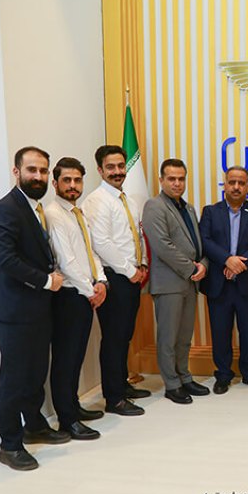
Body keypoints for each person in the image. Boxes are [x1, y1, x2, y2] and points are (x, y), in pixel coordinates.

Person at [0, 146, 69, 470]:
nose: (38, 176)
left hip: (38, 310)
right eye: (32, 170)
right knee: (14, 379)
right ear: (16, 171)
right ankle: (9, 445)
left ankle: (35, 425)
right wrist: (47, 281)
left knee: (35, 373)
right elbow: (6, 260)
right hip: (14, 313)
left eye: (43, 171)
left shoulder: (35, 208)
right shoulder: (4, 210)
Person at [82, 145, 150, 416]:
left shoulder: (127, 200)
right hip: (114, 277)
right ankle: (114, 398)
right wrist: (129, 270)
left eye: (121, 166)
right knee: (113, 338)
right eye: (110, 167)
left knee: (124, 335)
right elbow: (102, 243)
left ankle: (122, 385)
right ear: (100, 170)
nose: (117, 171)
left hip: (131, 276)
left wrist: (142, 264)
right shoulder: (97, 201)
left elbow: (136, 236)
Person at [45, 157, 108, 441]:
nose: (73, 185)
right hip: (69, 296)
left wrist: (101, 281)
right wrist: (90, 290)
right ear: (55, 182)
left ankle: (73, 406)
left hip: (84, 293)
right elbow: (67, 261)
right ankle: (67, 420)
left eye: (77, 180)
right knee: (65, 360)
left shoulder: (77, 212)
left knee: (76, 357)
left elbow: (90, 252)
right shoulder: (54, 214)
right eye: (67, 180)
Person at [142, 158, 211, 404]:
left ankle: (184, 376)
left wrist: (204, 264)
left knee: (184, 336)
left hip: (190, 282)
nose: (177, 183)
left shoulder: (188, 208)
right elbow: (163, 246)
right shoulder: (154, 206)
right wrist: (191, 268)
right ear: (161, 180)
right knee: (168, 338)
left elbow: (198, 242)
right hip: (169, 283)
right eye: (171, 179)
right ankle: (172, 384)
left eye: (181, 179)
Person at [199, 166, 248, 393]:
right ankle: (223, 375)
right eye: (232, 182)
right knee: (220, 332)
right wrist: (227, 260)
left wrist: (239, 265)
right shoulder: (211, 211)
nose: (236, 187)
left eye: (241, 183)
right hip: (219, 283)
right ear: (225, 184)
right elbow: (205, 241)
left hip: (247, 282)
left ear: (247, 186)